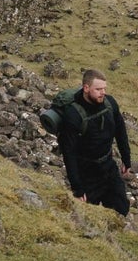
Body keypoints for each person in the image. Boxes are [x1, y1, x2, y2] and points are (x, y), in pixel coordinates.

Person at [56, 69, 131, 215]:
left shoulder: (110, 103)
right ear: (86, 88)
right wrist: (77, 187)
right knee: (88, 215)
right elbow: (69, 152)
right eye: (98, 89)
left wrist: (126, 159)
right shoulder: (73, 115)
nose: (103, 92)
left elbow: (120, 131)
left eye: (104, 89)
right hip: (86, 173)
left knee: (121, 209)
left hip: (108, 167)